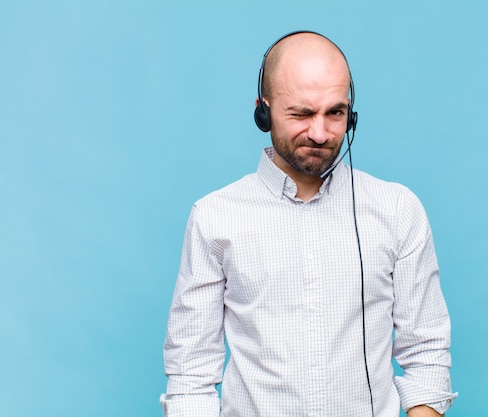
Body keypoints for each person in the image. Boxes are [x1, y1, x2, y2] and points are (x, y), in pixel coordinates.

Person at [160, 31, 457, 417]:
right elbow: (190, 375)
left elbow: (427, 353)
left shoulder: (398, 209)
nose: (319, 133)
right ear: (262, 112)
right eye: (301, 114)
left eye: (335, 113)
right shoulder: (214, 217)